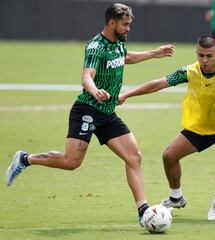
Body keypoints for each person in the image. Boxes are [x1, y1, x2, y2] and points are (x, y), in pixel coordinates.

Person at [5, 3, 175, 225]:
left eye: (130, 24)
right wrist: (95, 90)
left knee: (134, 157)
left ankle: (143, 211)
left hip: (107, 113)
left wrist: (155, 53)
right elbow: (87, 76)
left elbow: (125, 57)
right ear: (111, 23)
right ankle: (25, 159)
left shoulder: (118, 44)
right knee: (71, 162)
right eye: (125, 24)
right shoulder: (96, 46)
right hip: (87, 109)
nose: (128, 29)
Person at [118, 36, 215, 221]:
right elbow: (158, 84)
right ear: (196, 54)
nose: (204, 60)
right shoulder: (189, 71)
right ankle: (175, 197)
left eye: (209, 56)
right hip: (201, 126)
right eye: (201, 55)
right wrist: (127, 94)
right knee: (169, 156)